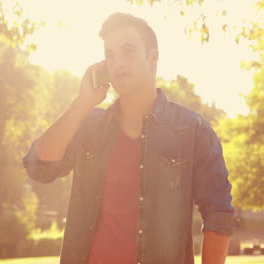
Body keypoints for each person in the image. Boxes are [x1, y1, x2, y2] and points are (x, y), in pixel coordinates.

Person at [23, 12, 238, 264]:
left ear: (153, 57)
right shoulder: (89, 125)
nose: (118, 63)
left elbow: (218, 213)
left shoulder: (193, 130)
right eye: (110, 55)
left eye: (128, 51)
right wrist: (82, 103)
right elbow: (39, 167)